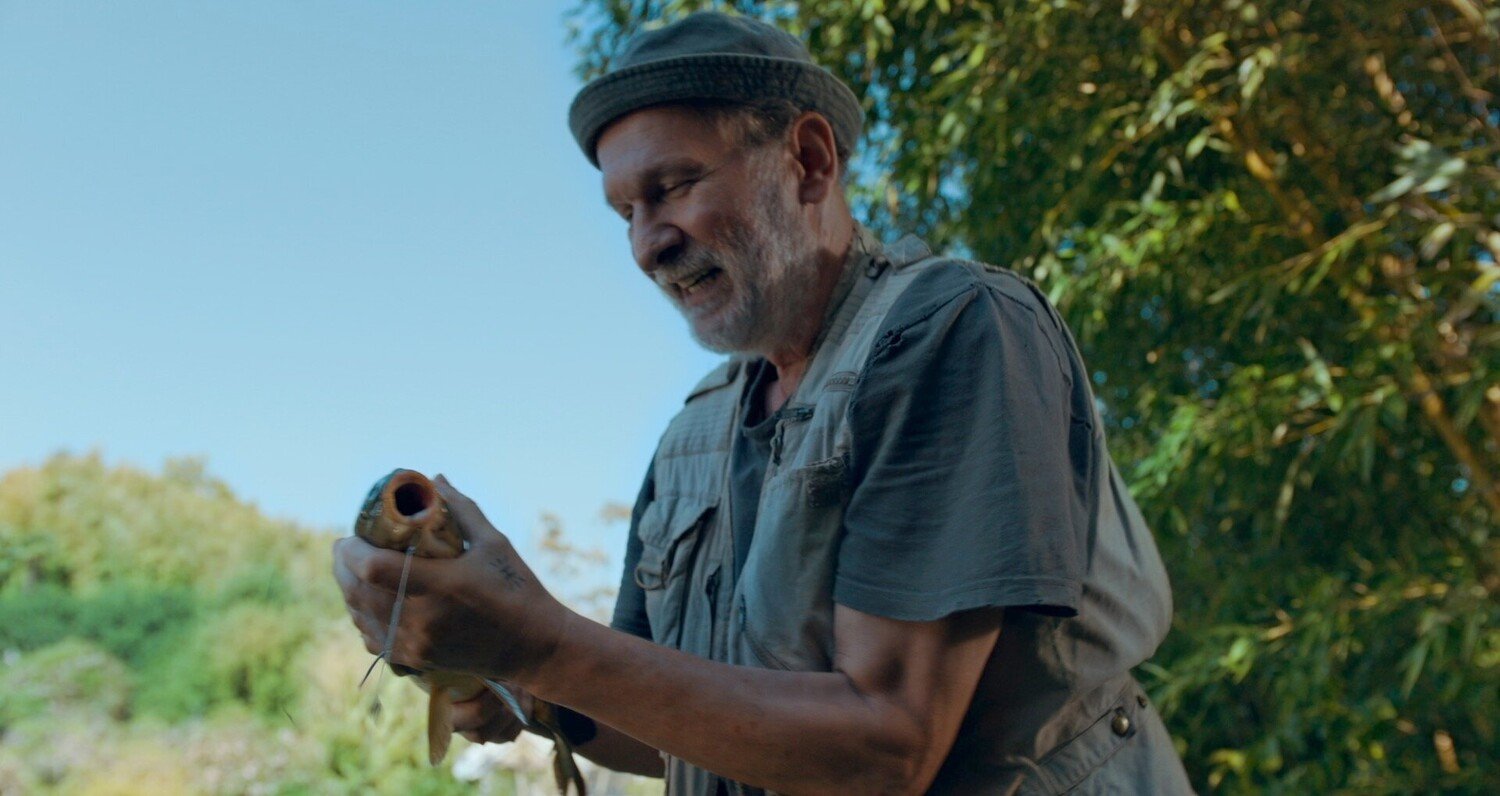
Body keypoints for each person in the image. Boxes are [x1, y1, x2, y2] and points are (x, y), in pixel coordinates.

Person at [334, 11, 1194, 795]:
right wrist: (524, 686)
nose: (646, 245)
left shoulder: (954, 329)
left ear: (809, 162)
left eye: (673, 186)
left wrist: (538, 644)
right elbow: (674, 728)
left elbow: (887, 750)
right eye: (625, 211)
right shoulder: (693, 435)